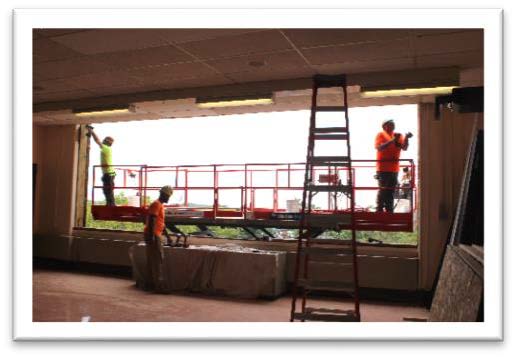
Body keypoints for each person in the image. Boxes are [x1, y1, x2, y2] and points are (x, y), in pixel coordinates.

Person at [374, 119, 412, 213]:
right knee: (383, 189)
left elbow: (405, 147)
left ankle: (389, 210)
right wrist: (392, 140)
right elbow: (379, 147)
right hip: (383, 168)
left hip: (394, 168)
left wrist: (406, 137)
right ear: (384, 126)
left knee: (391, 190)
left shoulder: (398, 136)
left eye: (393, 124)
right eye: (390, 124)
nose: (393, 125)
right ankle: (379, 210)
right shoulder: (381, 135)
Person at [142, 185, 174, 292]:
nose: (169, 198)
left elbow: (161, 223)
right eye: (168, 196)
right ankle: (158, 286)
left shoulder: (160, 205)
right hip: (154, 235)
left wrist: (168, 237)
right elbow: (152, 220)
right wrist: (151, 236)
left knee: (152, 260)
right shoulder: (156, 204)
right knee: (157, 260)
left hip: (155, 234)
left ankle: (149, 284)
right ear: (163, 194)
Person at [87, 126, 116, 206]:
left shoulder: (106, 148)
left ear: (107, 142)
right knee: (107, 190)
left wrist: (91, 132)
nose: (102, 141)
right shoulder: (107, 149)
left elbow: (97, 140)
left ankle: (111, 205)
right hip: (109, 174)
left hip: (108, 174)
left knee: (108, 191)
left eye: (104, 140)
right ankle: (110, 204)